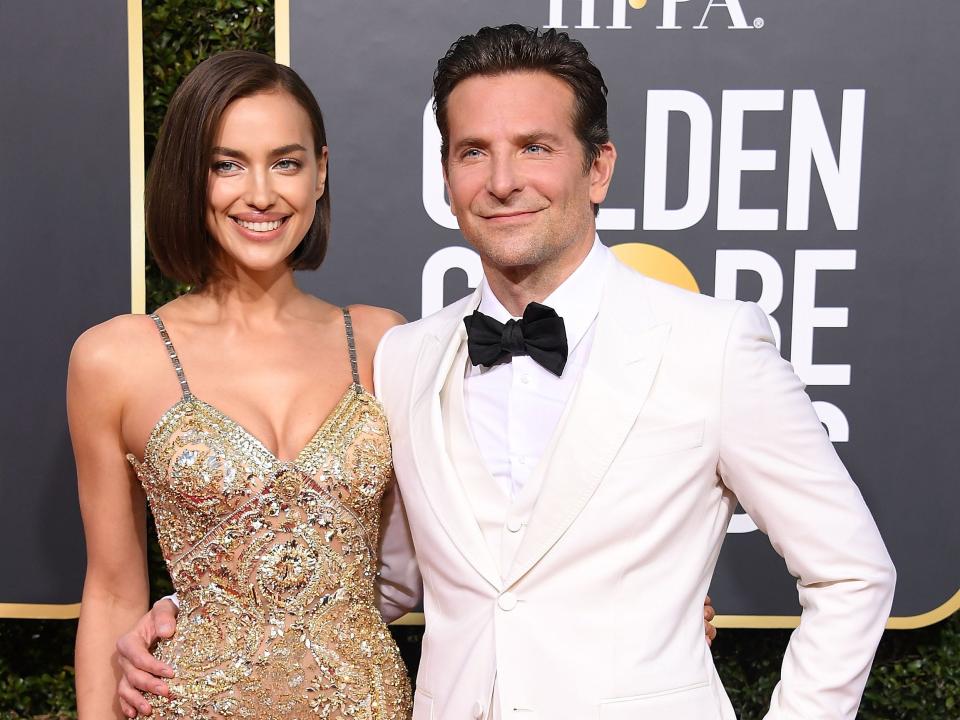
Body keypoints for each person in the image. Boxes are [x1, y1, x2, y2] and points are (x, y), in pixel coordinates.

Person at [117, 24, 890, 719]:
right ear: (448, 177)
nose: (502, 180)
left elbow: (852, 574)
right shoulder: (407, 356)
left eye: (535, 147)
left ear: (598, 168)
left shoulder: (712, 343)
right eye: (473, 152)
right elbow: (377, 584)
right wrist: (202, 619)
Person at [68, 50, 420, 719]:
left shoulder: (382, 342)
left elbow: (429, 557)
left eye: (286, 162)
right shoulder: (116, 358)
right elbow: (112, 591)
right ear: (189, 179)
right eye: (227, 164)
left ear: (320, 172)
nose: (260, 193)